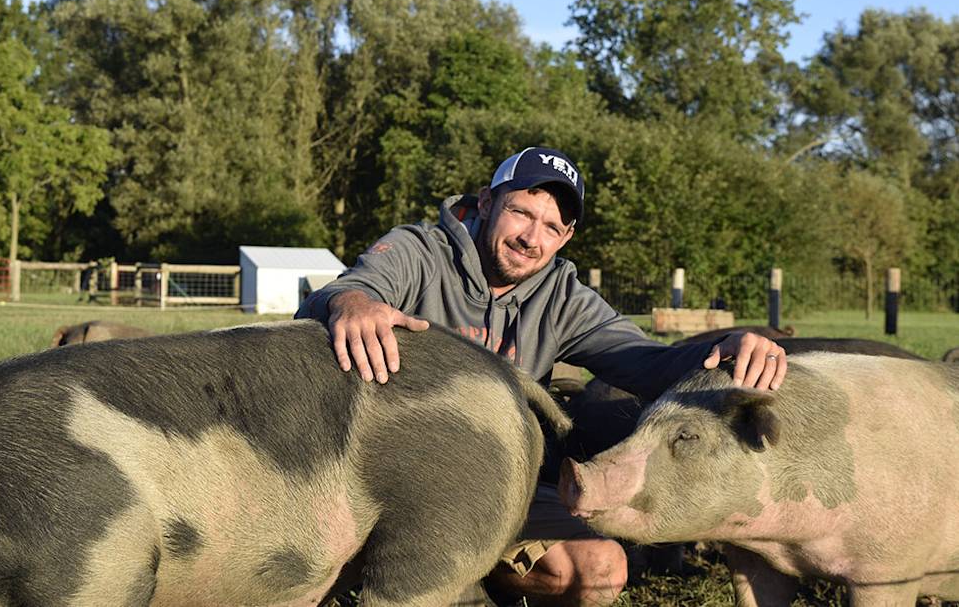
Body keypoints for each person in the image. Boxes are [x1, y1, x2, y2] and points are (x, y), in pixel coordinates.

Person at [296, 146, 787, 606]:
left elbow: (644, 360)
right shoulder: (420, 251)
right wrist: (353, 303)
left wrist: (724, 351)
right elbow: (345, 292)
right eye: (521, 212)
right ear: (487, 202)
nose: (532, 238)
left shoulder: (561, 297)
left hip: (500, 488)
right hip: (395, 484)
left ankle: (478, 575)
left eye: (552, 227)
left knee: (600, 570)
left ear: (566, 237)